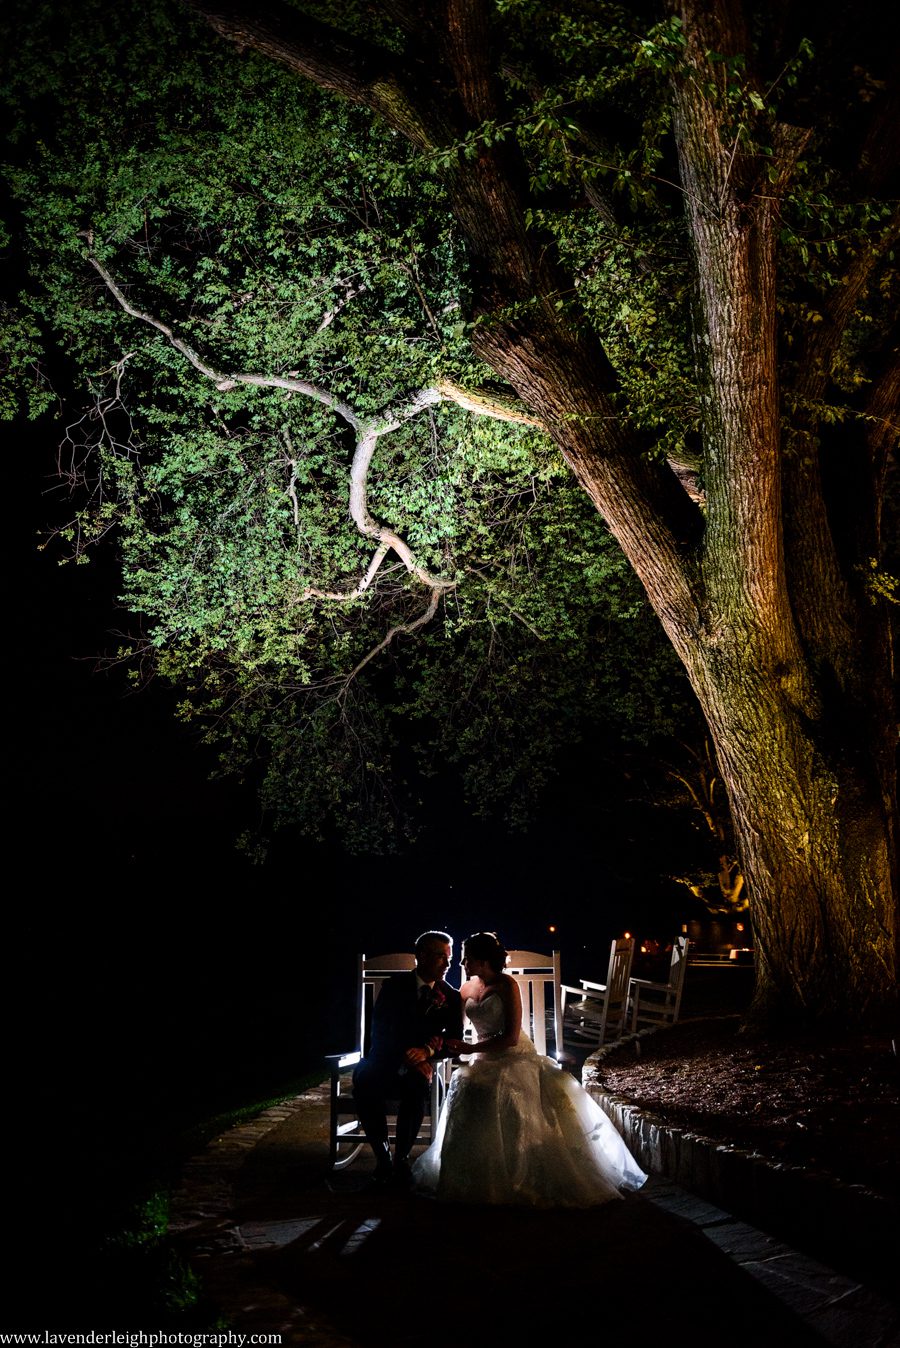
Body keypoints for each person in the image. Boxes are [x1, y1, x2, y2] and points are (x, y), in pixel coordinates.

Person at [412, 931, 647, 1206]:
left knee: (504, 1088)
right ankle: (472, 1173)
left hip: (514, 1056)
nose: (462, 965)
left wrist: (471, 1049)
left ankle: (517, 1171)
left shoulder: (506, 985)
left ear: (483, 960)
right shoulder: (465, 990)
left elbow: (511, 1037)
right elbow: (454, 1027)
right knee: (467, 1085)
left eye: (467, 960)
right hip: (481, 1060)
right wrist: (429, 1042)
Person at [353, 930, 464, 1186]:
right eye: (440, 957)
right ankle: (382, 1157)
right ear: (421, 956)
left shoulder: (451, 996)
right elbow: (379, 1030)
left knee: (418, 1084)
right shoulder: (394, 986)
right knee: (365, 1079)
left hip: (420, 1069)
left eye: (449, 958)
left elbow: (454, 1041)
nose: (447, 964)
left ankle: (400, 1158)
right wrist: (405, 1054)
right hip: (384, 1060)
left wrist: (428, 1052)